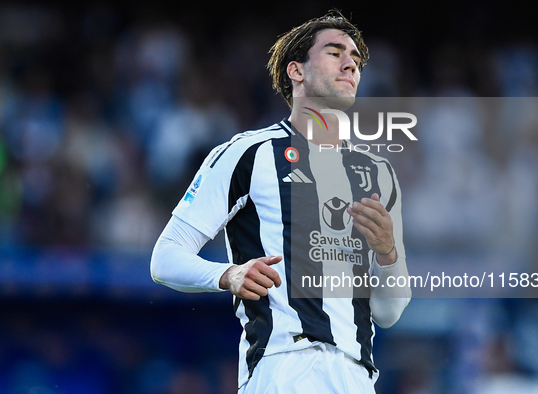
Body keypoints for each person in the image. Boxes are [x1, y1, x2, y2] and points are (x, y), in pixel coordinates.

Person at [151, 10, 411, 393]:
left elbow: (388, 314)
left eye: (355, 59)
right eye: (335, 52)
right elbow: (165, 257)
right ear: (296, 71)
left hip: (357, 377)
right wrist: (227, 274)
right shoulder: (248, 153)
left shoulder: (378, 173)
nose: (350, 64)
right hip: (284, 368)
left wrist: (388, 255)